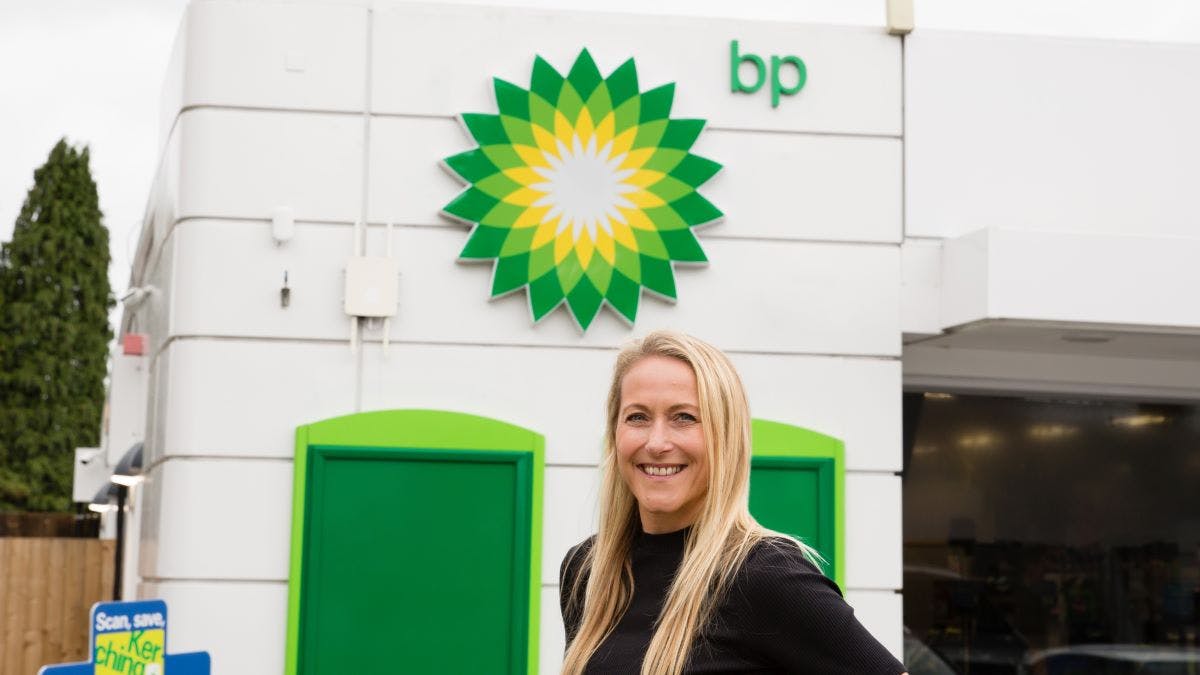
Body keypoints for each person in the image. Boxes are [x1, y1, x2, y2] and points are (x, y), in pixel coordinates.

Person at [559, 330, 909, 674]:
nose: (656, 442)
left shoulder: (764, 573)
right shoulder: (588, 569)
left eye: (684, 418)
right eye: (637, 417)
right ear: (615, 432)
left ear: (725, 437)